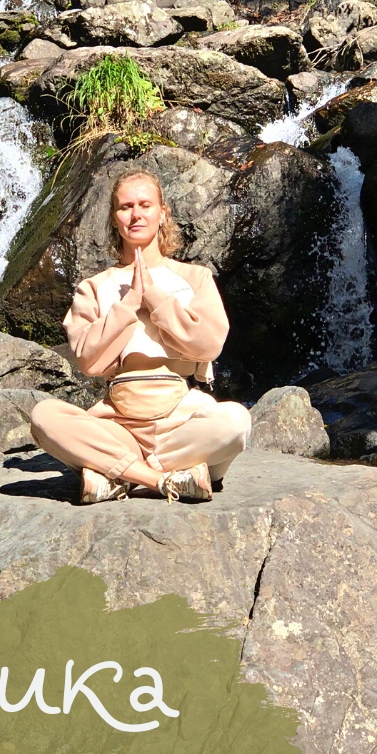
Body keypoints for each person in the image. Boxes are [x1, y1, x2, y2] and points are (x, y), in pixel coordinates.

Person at [30, 170, 251, 505]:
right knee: (45, 416)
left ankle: (120, 475)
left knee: (236, 421)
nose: (136, 214)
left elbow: (208, 345)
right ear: (114, 218)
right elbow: (89, 361)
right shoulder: (94, 287)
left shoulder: (195, 277)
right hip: (119, 424)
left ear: (163, 213)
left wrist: (155, 298)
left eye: (145, 205)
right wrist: (130, 301)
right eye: (125, 207)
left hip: (183, 421)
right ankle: (164, 479)